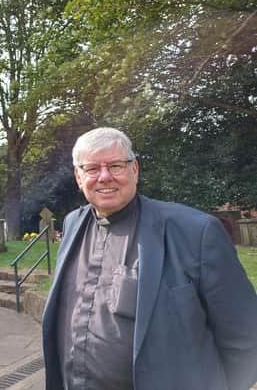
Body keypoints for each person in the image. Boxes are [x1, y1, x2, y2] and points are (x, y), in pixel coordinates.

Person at [42, 127, 257, 390]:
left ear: (135, 170)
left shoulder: (196, 232)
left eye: (116, 166)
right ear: (78, 176)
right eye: (92, 169)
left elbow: (246, 338)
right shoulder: (73, 223)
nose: (105, 177)